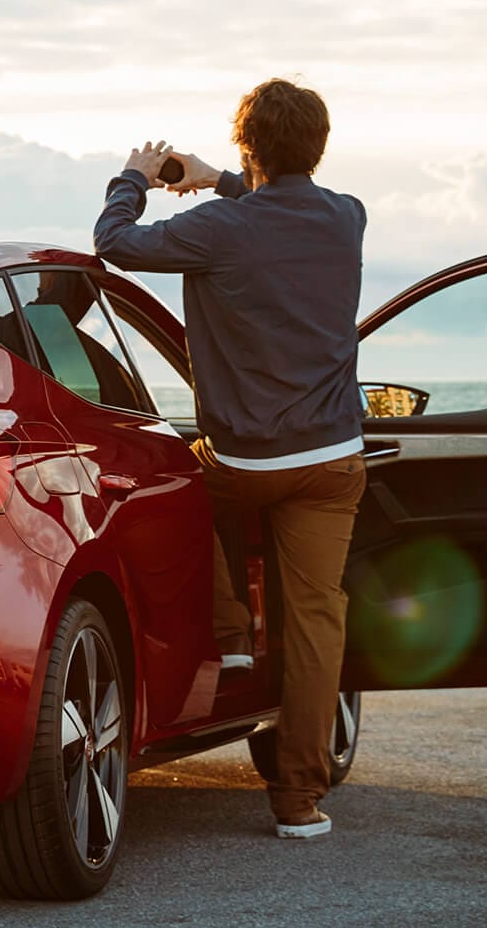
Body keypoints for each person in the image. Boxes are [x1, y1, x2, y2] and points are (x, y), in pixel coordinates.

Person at [91, 78, 368, 841]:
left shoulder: (219, 231)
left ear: (248, 145)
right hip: (335, 457)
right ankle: (300, 802)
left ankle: (231, 632)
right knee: (316, 625)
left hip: (243, 464)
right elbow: (275, 203)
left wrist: (135, 180)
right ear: (319, 146)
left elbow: (114, 245)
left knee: (174, 480)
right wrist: (218, 177)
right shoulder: (348, 217)